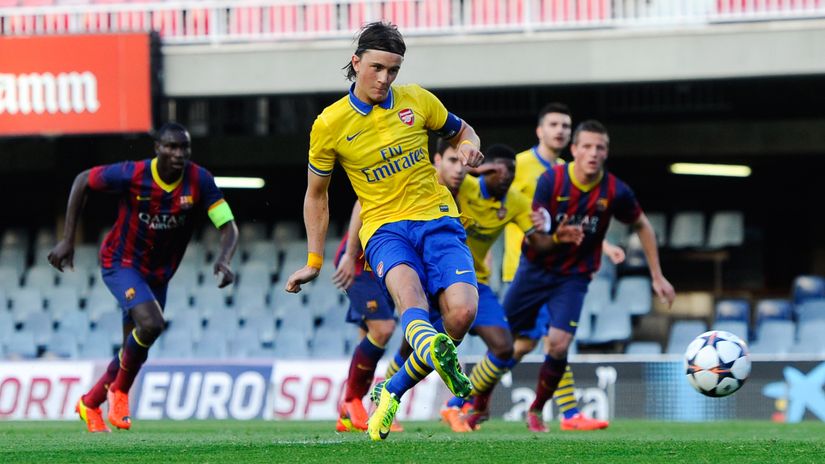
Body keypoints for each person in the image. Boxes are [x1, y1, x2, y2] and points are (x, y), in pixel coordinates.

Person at [284, 21, 484, 442]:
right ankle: (431, 358)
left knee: (462, 315)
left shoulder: (418, 101)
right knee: (409, 300)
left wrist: (468, 144)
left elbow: (463, 130)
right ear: (356, 62)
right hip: (384, 230)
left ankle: (391, 390)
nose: (385, 78)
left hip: (439, 220)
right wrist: (314, 260)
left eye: (393, 70)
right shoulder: (330, 124)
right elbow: (316, 195)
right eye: (377, 68)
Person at [48, 123, 239, 433]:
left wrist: (224, 258)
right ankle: (119, 393)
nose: (178, 154)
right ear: (157, 149)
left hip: (158, 274)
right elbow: (83, 180)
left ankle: (90, 402)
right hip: (121, 262)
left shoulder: (199, 180)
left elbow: (228, 226)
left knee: (134, 350)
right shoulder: (132, 173)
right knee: (151, 324)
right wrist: (67, 239)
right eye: (171, 147)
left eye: (184, 148)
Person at [503, 120, 676, 432]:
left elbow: (637, 225)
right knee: (507, 343)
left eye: (600, 147)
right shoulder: (536, 173)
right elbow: (528, 223)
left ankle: (546, 411)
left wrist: (656, 274)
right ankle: (464, 402)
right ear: (573, 149)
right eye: (587, 146)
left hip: (572, 276)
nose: (593, 153)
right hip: (528, 268)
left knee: (556, 342)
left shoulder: (614, 190)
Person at [501, 103, 623, 431]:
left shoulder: (571, 172)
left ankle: (465, 398)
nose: (560, 130)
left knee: (534, 343)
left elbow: (577, 223)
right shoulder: (521, 165)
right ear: (539, 130)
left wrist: (606, 247)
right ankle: (568, 415)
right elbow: (498, 205)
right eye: (554, 124)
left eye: (566, 126)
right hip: (526, 266)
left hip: (559, 266)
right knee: (552, 340)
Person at [431, 142, 548, 432]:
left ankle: (458, 405)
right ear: (485, 170)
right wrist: (478, 169)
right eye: (500, 169)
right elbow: (444, 177)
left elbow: (539, 243)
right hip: (437, 280)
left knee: (503, 347)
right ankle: (381, 399)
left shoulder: (516, 202)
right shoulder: (465, 186)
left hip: (477, 282)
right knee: (413, 349)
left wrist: (554, 230)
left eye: (512, 171)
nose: (507, 175)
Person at [332, 200, 405, 434]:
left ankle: (348, 415)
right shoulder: (397, 176)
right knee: (383, 328)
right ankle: (351, 399)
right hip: (359, 264)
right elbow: (360, 204)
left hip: (385, 265)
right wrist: (349, 254)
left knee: (368, 336)